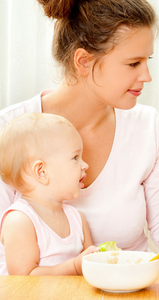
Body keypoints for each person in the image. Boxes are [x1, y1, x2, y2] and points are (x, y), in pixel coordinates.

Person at [0, 0, 159, 262]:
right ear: (84, 61)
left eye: (148, 60)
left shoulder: (147, 127)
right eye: (133, 63)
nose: (147, 76)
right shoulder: (9, 129)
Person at [0, 113, 99, 275]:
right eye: (75, 157)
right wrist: (74, 266)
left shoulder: (76, 219)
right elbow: (23, 279)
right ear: (42, 172)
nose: (85, 165)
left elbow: (91, 264)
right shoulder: (20, 220)